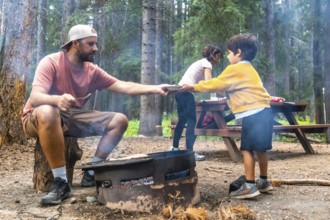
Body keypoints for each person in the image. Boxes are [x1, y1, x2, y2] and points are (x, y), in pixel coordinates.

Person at [21, 24, 168, 205]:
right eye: (90, 44)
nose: (95, 48)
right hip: (37, 117)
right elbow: (35, 98)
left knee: (119, 120)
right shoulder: (51, 62)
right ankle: (61, 183)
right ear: (75, 43)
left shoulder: (92, 71)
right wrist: (57, 100)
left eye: (95, 44)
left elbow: (125, 86)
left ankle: (92, 171)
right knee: (49, 111)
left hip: (71, 116)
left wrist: (157, 89)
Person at [181, 34, 273, 199]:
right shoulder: (251, 70)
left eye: (229, 53)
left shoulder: (235, 69)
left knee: (246, 149)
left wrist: (194, 86)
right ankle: (264, 181)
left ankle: (250, 186)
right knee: (261, 149)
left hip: (253, 115)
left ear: (238, 52)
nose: (228, 57)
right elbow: (251, 89)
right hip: (265, 112)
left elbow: (215, 83)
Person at [170, 44, 222, 161]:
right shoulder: (206, 63)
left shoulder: (201, 62)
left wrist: (221, 92)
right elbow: (209, 83)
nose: (218, 60)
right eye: (218, 56)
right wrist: (223, 91)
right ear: (212, 55)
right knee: (192, 122)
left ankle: (175, 148)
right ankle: (189, 152)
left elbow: (203, 84)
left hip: (179, 92)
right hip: (186, 93)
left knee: (182, 120)